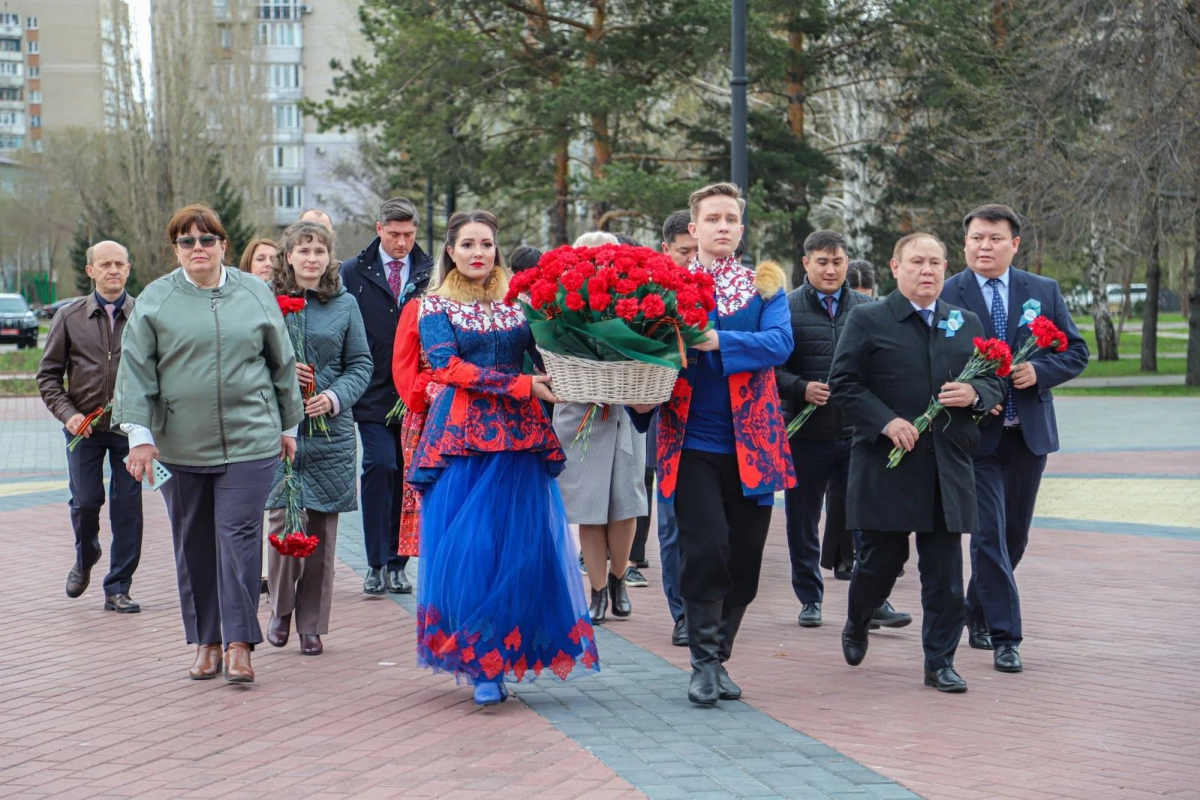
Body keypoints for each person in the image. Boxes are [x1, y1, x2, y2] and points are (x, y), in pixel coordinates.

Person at [409, 210, 598, 706]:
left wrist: (595, 358)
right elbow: (446, 366)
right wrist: (520, 385)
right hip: (463, 438)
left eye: (487, 244)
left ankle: (502, 654)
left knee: (521, 550)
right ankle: (480, 661)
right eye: (467, 244)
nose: (478, 253)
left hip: (520, 438)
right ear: (450, 251)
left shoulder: (520, 302)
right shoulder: (434, 305)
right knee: (472, 549)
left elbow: (549, 354)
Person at [114, 203, 304, 684]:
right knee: (193, 543)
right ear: (175, 249)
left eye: (206, 239)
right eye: (186, 241)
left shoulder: (255, 292)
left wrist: (288, 426)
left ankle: (240, 644)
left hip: (251, 439)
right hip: (180, 446)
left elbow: (282, 364)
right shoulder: (156, 300)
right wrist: (140, 437)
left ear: (223, 245)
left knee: (238, 539)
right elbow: (135, 373)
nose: (197, 248)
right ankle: (207, 641)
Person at [631, 182, 794, 706]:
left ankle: (720, 657)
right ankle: (702, 664)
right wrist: (639, 398)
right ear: (693, 229)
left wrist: (721, 340)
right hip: (689, 442)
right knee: (705, 550)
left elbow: (781, 343)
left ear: (741, 230)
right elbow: (640, 352)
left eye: (732, 219)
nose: (723, 226)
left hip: (755, 446)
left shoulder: (764, 288)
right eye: (713, 218)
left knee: (745, 561)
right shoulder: (664, 289)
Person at [830, 232, 1005, 693]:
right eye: (917, 262)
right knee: (879, 565)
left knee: (945, 576)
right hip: (888, 466)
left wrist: (976, 394)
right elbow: (844, 384)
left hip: (946, 469)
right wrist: (886, 422)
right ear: (895, 266)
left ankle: (940, 663)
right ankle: (858, 618)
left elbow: (993, 383)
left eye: (935, 263)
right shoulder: (869, 320)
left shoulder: (965, 322)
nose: (927, 271)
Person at [943, 204, 1088, 673]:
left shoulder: (1042, 291)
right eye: (976, 239)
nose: (984, 246)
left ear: (1014, 244)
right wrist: (974, 394)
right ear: (964, 243)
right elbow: (935, 362)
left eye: (994, 238)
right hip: (975, 439)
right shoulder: (948, 293)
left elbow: (1076, 351)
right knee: (987, 537)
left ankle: (976, 609)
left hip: (1027, 435)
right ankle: (1007, 638)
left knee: (1013, 538)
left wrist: (1039, 371)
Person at [775, 232, 911, 631]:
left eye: (837, 262)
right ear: (806, 264)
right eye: (822, 262)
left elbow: (884, 368)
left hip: (858, 435)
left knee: (867, 520)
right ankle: (809, 598)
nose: (831, 270)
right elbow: (771, 368)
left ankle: (872, 601)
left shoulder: (868, 308)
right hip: (805, 435)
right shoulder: (786, 309)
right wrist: (800, 388)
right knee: (802, 520)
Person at [264, 221, 372, 657]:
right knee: (282, 523)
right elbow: (247, 359)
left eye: (319, 251)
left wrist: (332, 396)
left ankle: (312, 625)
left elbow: (361, 364)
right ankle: (279, 608)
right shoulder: (266, 301)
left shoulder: (344, 304)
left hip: (331, 436)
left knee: (322, 534)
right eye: (304, 250)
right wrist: (284, 374)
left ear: (330, 257)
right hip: (278, 432)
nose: (312, 258)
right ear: (288, 256)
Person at [37, 240, 143, 613]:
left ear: (128, 269)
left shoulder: (144, 315)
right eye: (105, 265)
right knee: (85, 502)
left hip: (130, 430)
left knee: (127, 506)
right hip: (82, 428)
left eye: (119, 264)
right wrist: (69, 414)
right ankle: (86, 555)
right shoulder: (69, 317)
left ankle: (118, 587)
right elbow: (48, 377)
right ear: (91, 271)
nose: (113, 270)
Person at [339, 198, 435, 595]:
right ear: (379, 229)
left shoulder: (430, 272)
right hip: (372, 389)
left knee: (408, 474)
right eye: (394, 234)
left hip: (416, 390)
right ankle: (376, 563)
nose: (402, 243)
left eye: (409, 235)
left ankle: (399, 565)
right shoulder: (353, 271)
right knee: (380, 466)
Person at [553, 231, 647, 625]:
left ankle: (619, 577)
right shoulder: (559, 305)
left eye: (600, 257)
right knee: (588, 507)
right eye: (586, 258)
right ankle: (597, 590)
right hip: (580, 414)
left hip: (623, 411)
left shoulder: (633, 301)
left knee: (625, 503)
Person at [645, 210, 698, 646]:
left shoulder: (729, 289)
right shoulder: (651, 294)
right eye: (686, 252)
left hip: (723, 427)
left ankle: (711, 607)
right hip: (670, 426)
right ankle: (682, 613)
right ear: (667, 250)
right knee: (673, 527)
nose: (693, 259)